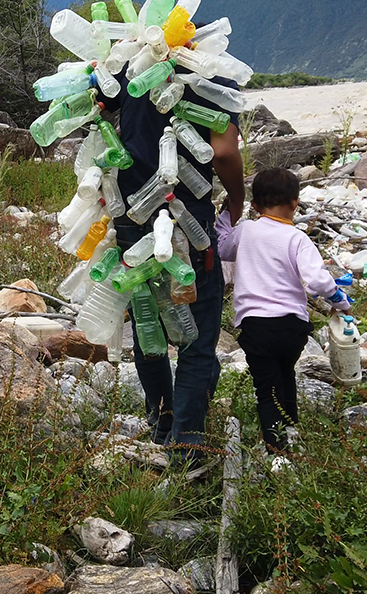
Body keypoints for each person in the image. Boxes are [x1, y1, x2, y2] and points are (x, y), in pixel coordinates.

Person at [99, 64, 244, 461]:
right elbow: (226, 151)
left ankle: (161, 422)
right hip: (187, 219)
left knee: (150, 326)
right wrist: (236, 199)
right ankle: (187, 441)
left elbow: (101, 119)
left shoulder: (129, 73)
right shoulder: (214, 80)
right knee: (196, 337)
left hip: (130, 220)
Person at [214, 168, 350, 453]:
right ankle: (290, 430)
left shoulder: (246, 230)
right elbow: (316, 280)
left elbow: (224, 249)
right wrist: (340, 302)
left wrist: (224, 219)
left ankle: (277, 451)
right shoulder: (297, 238)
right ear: (295, 203)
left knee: (266, 386)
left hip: (255, 325)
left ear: (254, 206)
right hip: (292, 327)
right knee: (285, 372)